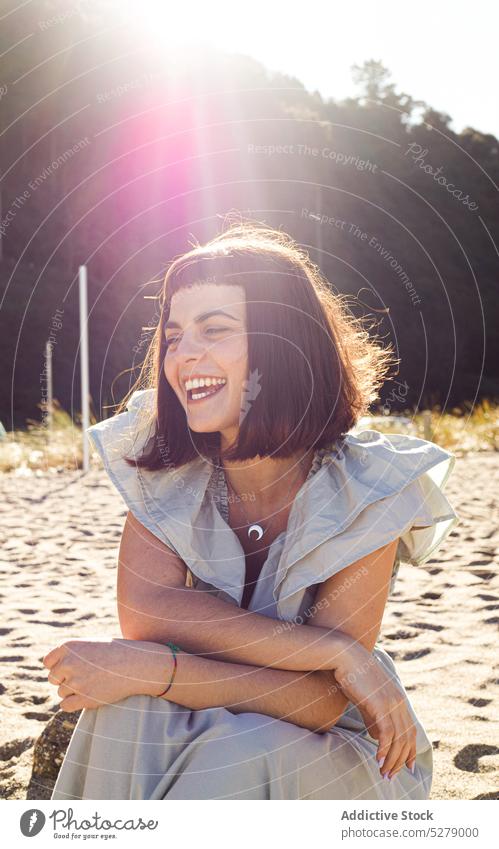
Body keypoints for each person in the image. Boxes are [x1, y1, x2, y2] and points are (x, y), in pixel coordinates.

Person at [46, 222, 458, 800]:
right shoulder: (167, 466)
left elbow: (320, 701)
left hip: (349, 747)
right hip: (217, 703)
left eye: (214, 329)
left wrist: (159, 669)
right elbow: (147, 613)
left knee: (227, 750)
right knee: (125, 712)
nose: (185, 355)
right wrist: (333, 651)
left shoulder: (367, 484)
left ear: (284, 344)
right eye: (173, 335)